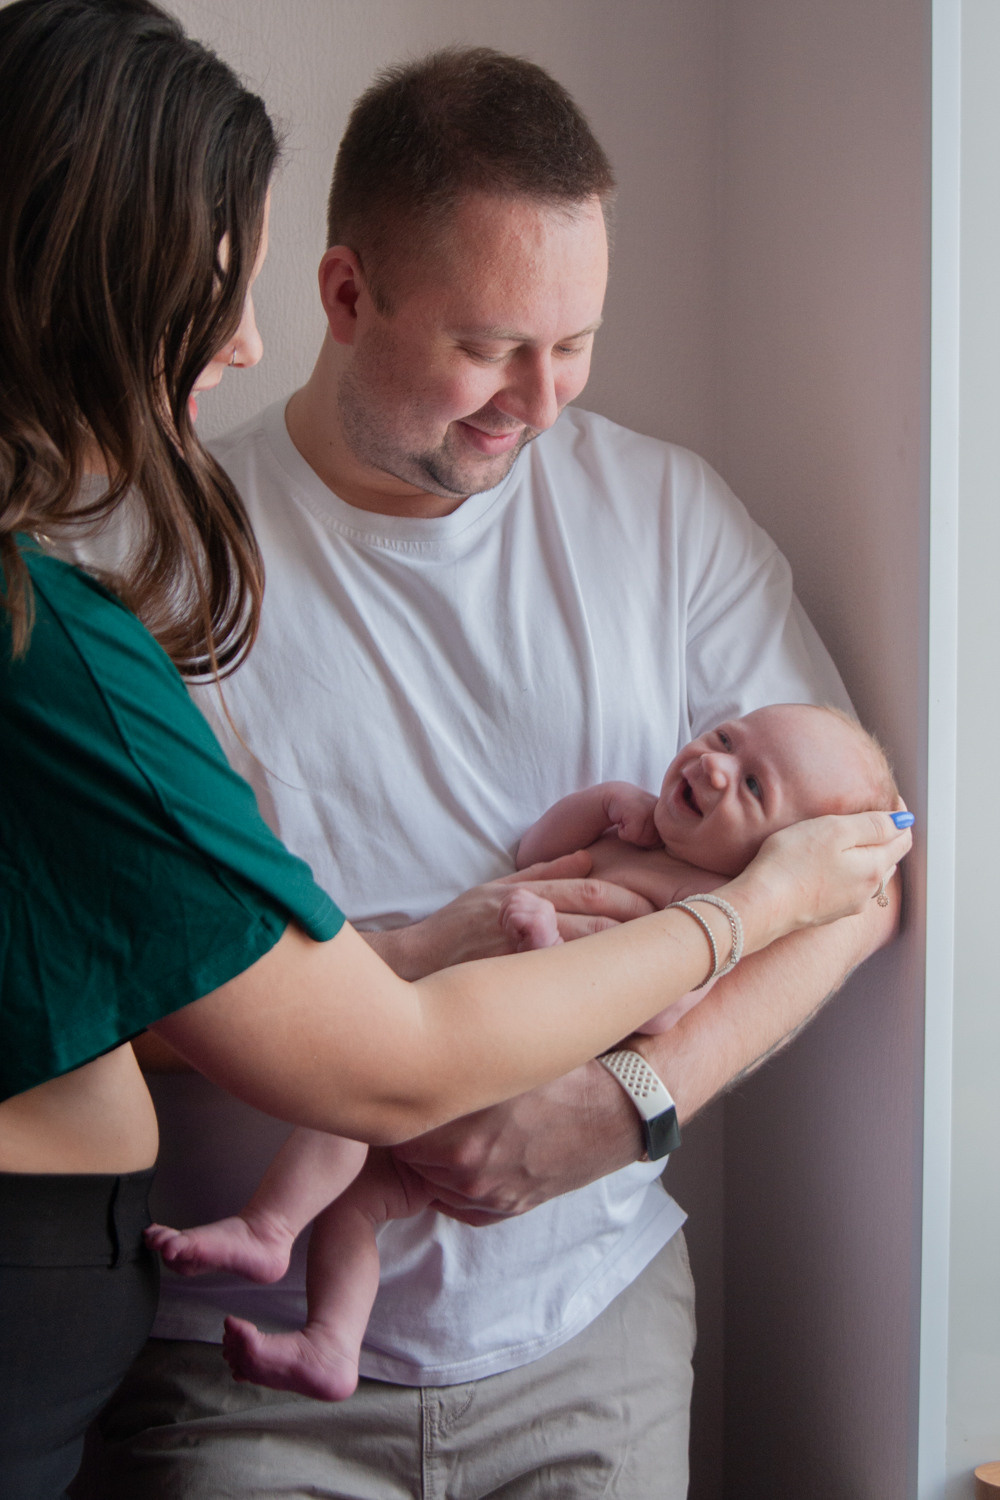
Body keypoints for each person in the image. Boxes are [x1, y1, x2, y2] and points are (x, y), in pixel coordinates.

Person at [0, 10, 910, 1498]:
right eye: (491, 349)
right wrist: (389, 965)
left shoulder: (667, 521)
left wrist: (626, 1108)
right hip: (234, 1356)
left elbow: (858, 865)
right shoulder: (125, 565)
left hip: (587, 1336)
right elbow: (82, 985)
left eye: (575, 346)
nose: (543, 403)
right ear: (346, 294)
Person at [143, 704, 907, 1405]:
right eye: (723, 737)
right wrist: (599, 806)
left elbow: (665, 1002)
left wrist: (547, 946)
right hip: (454, 1045)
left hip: (504, 1073)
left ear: (782, 855)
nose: (711, 766)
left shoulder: (706, 909)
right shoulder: (637, 835)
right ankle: (329, 1338)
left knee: (350, 1107)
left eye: (750, 786)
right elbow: (535, 850)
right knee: (356, 1201)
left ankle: (268, 1229)